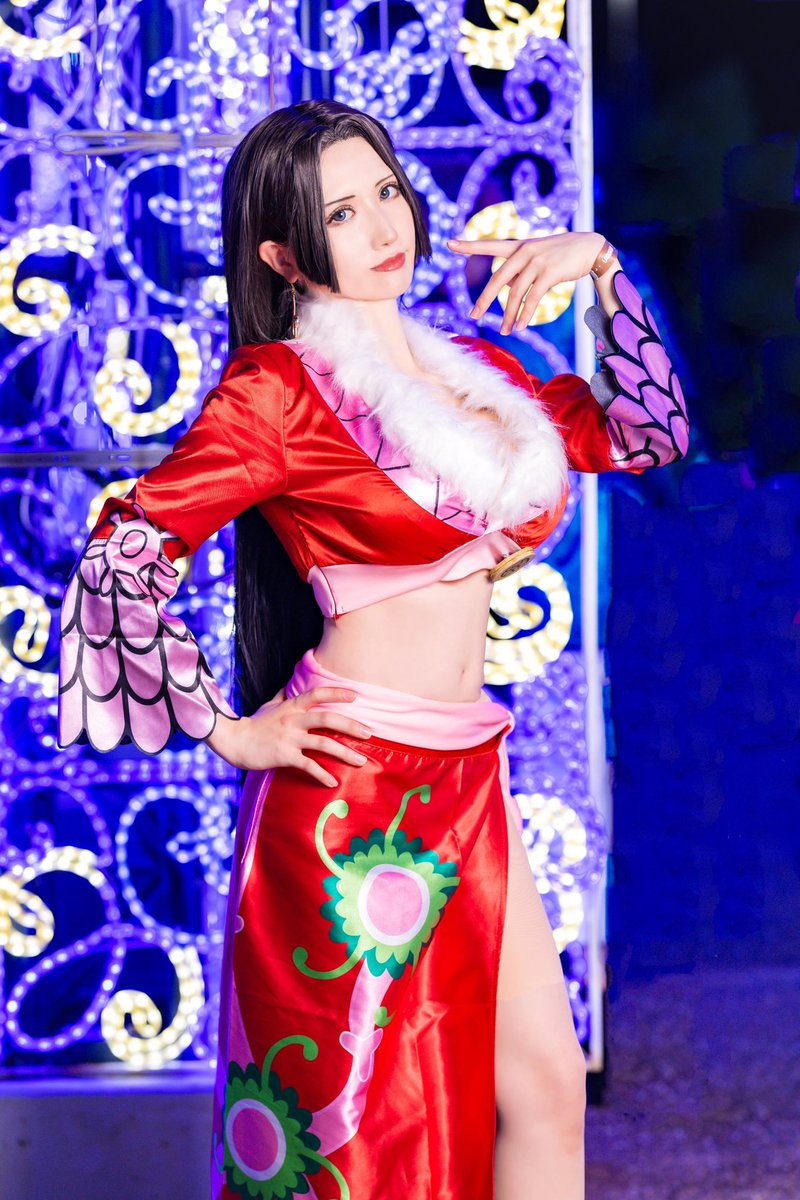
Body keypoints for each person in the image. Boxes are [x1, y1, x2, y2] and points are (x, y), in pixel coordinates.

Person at [58, 99, 688, 1200]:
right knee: (350, 1134)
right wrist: (228, 731)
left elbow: (647, 434)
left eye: (386, 191)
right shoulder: (277, 391)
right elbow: (125, 548)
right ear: (281, 253)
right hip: (346, 792)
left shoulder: (476, 374)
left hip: (470, 774)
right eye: (341, 212)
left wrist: (598, 268)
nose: (384, 224)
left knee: (544, 1089)